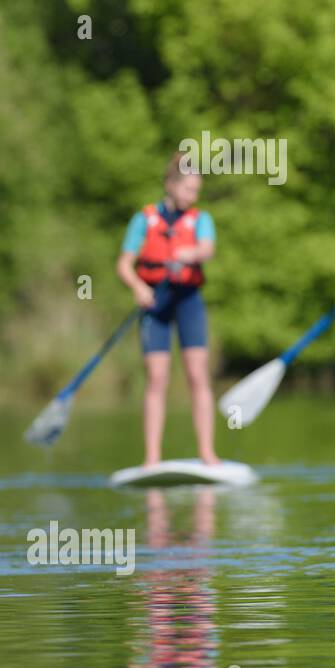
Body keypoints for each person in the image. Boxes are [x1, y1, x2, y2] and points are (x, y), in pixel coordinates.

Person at [116, 151, 218, 467]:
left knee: (197, 374)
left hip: (188, 299)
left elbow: (207, 249)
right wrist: (139, 288)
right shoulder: (143, 219)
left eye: (196, 191)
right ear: (171, 184)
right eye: (188, 189)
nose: (193, 196)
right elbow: (124, 265)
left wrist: (191, 253)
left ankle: (207, 453)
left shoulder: (201, 220)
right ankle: (152, 458)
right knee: (157, 378)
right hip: (155, 303)